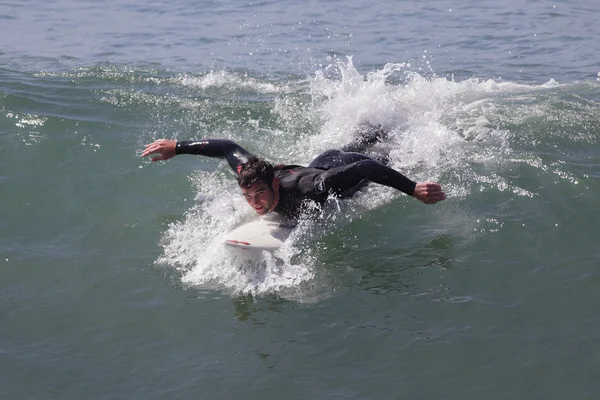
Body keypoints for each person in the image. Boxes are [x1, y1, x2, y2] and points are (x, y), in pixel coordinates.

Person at [141, 128, 446, 220]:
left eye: (260, 194)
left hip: (344, 169)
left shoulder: (309, 189)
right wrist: (177, 146)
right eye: (248, 196)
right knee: (364, 136)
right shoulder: (252, 173)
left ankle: (403, 129)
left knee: (382, 150)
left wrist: (414, 189)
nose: (255, 202)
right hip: (325, 158)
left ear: (274, 184)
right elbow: (226, 147)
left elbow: (365, 168)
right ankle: (376, 126)